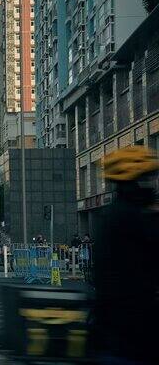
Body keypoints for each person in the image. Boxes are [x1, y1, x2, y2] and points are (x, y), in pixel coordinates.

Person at [93, 146, 158, 363]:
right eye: (146, 179)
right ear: (132, 182)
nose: (152, 186)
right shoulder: (130, 217)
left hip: (123, 329)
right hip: (129, 335)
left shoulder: (115, 214)